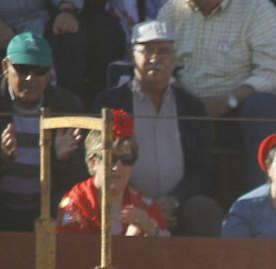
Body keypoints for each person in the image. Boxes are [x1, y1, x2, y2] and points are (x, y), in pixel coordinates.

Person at [93, 20, 222, 236]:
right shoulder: (110, 102)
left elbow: (203, 168)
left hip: (177, 208)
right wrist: (139, 203)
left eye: (163, 51)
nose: (155, 58)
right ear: (132, 54)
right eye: (147, 50)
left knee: (204, 209)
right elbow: (97, 161)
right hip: (124, 204)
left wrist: (174, 201)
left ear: (174, 57)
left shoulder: (192, 106)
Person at [157, 0, 276, 185]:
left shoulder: (258, 9)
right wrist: (185, 100)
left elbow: (275, 71)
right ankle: (166, 196)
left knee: (264, 105)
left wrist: (227, 101)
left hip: (238, 106)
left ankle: (264, 192)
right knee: (152, 97)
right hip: (186, 107)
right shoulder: (172, 10)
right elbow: (156, 65)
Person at [0, 31, 84, 232]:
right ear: (5, 66)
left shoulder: (68, 105)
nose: (31, 78)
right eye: (22, 69)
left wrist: (63, 160)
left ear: (50, 71)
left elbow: (85, 177)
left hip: (47, 213)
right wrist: (2, 157)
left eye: (40, 71)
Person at [56, 109, 170, 235]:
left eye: (127, 160)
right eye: (111, 159)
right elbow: (72, 246)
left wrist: (151, 229)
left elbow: (169, 246)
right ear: (93, 162)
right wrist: (128, 242)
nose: (118, 167)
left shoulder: (145, 206)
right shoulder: (76, 203)